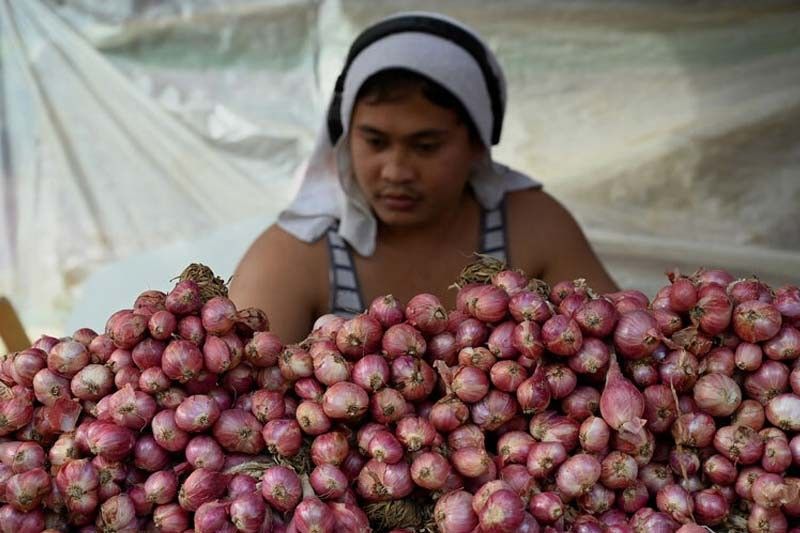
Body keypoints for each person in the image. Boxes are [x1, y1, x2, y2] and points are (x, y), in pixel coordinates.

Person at [230, 11, 618, 343]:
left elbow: (618, 342)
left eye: (426, 146)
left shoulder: (532, 226)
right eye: (375, 141)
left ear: (478, 145)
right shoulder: (297, 255)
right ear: (346, 139)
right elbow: (234, 388)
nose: (397, 171)